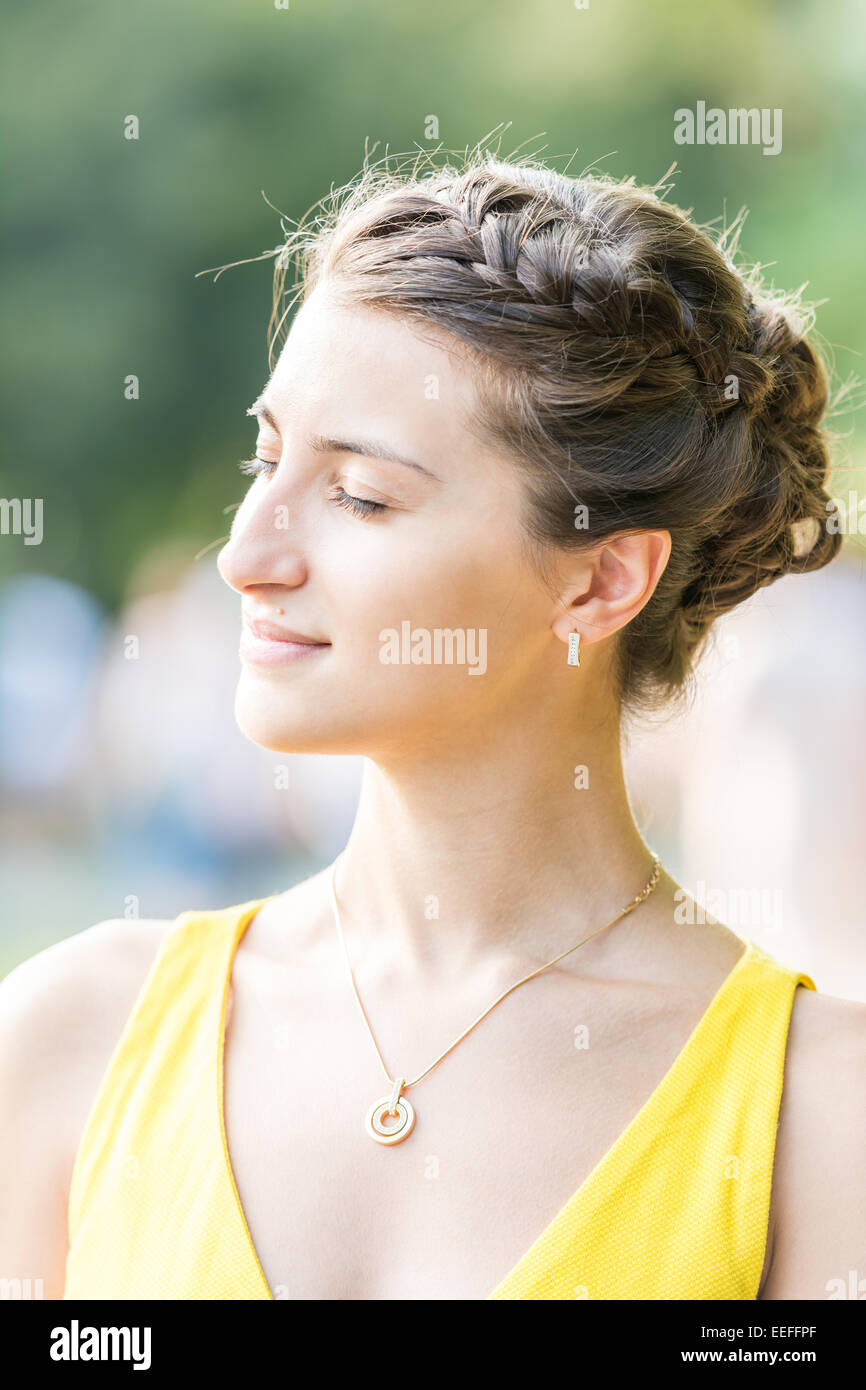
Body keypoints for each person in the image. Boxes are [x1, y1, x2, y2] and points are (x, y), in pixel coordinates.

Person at [2, 152, 864, 1302]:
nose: (245, 557)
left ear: (601, 581)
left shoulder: (816, 1114)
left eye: (360, 495)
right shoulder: (72, 1038)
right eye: (265, 460)